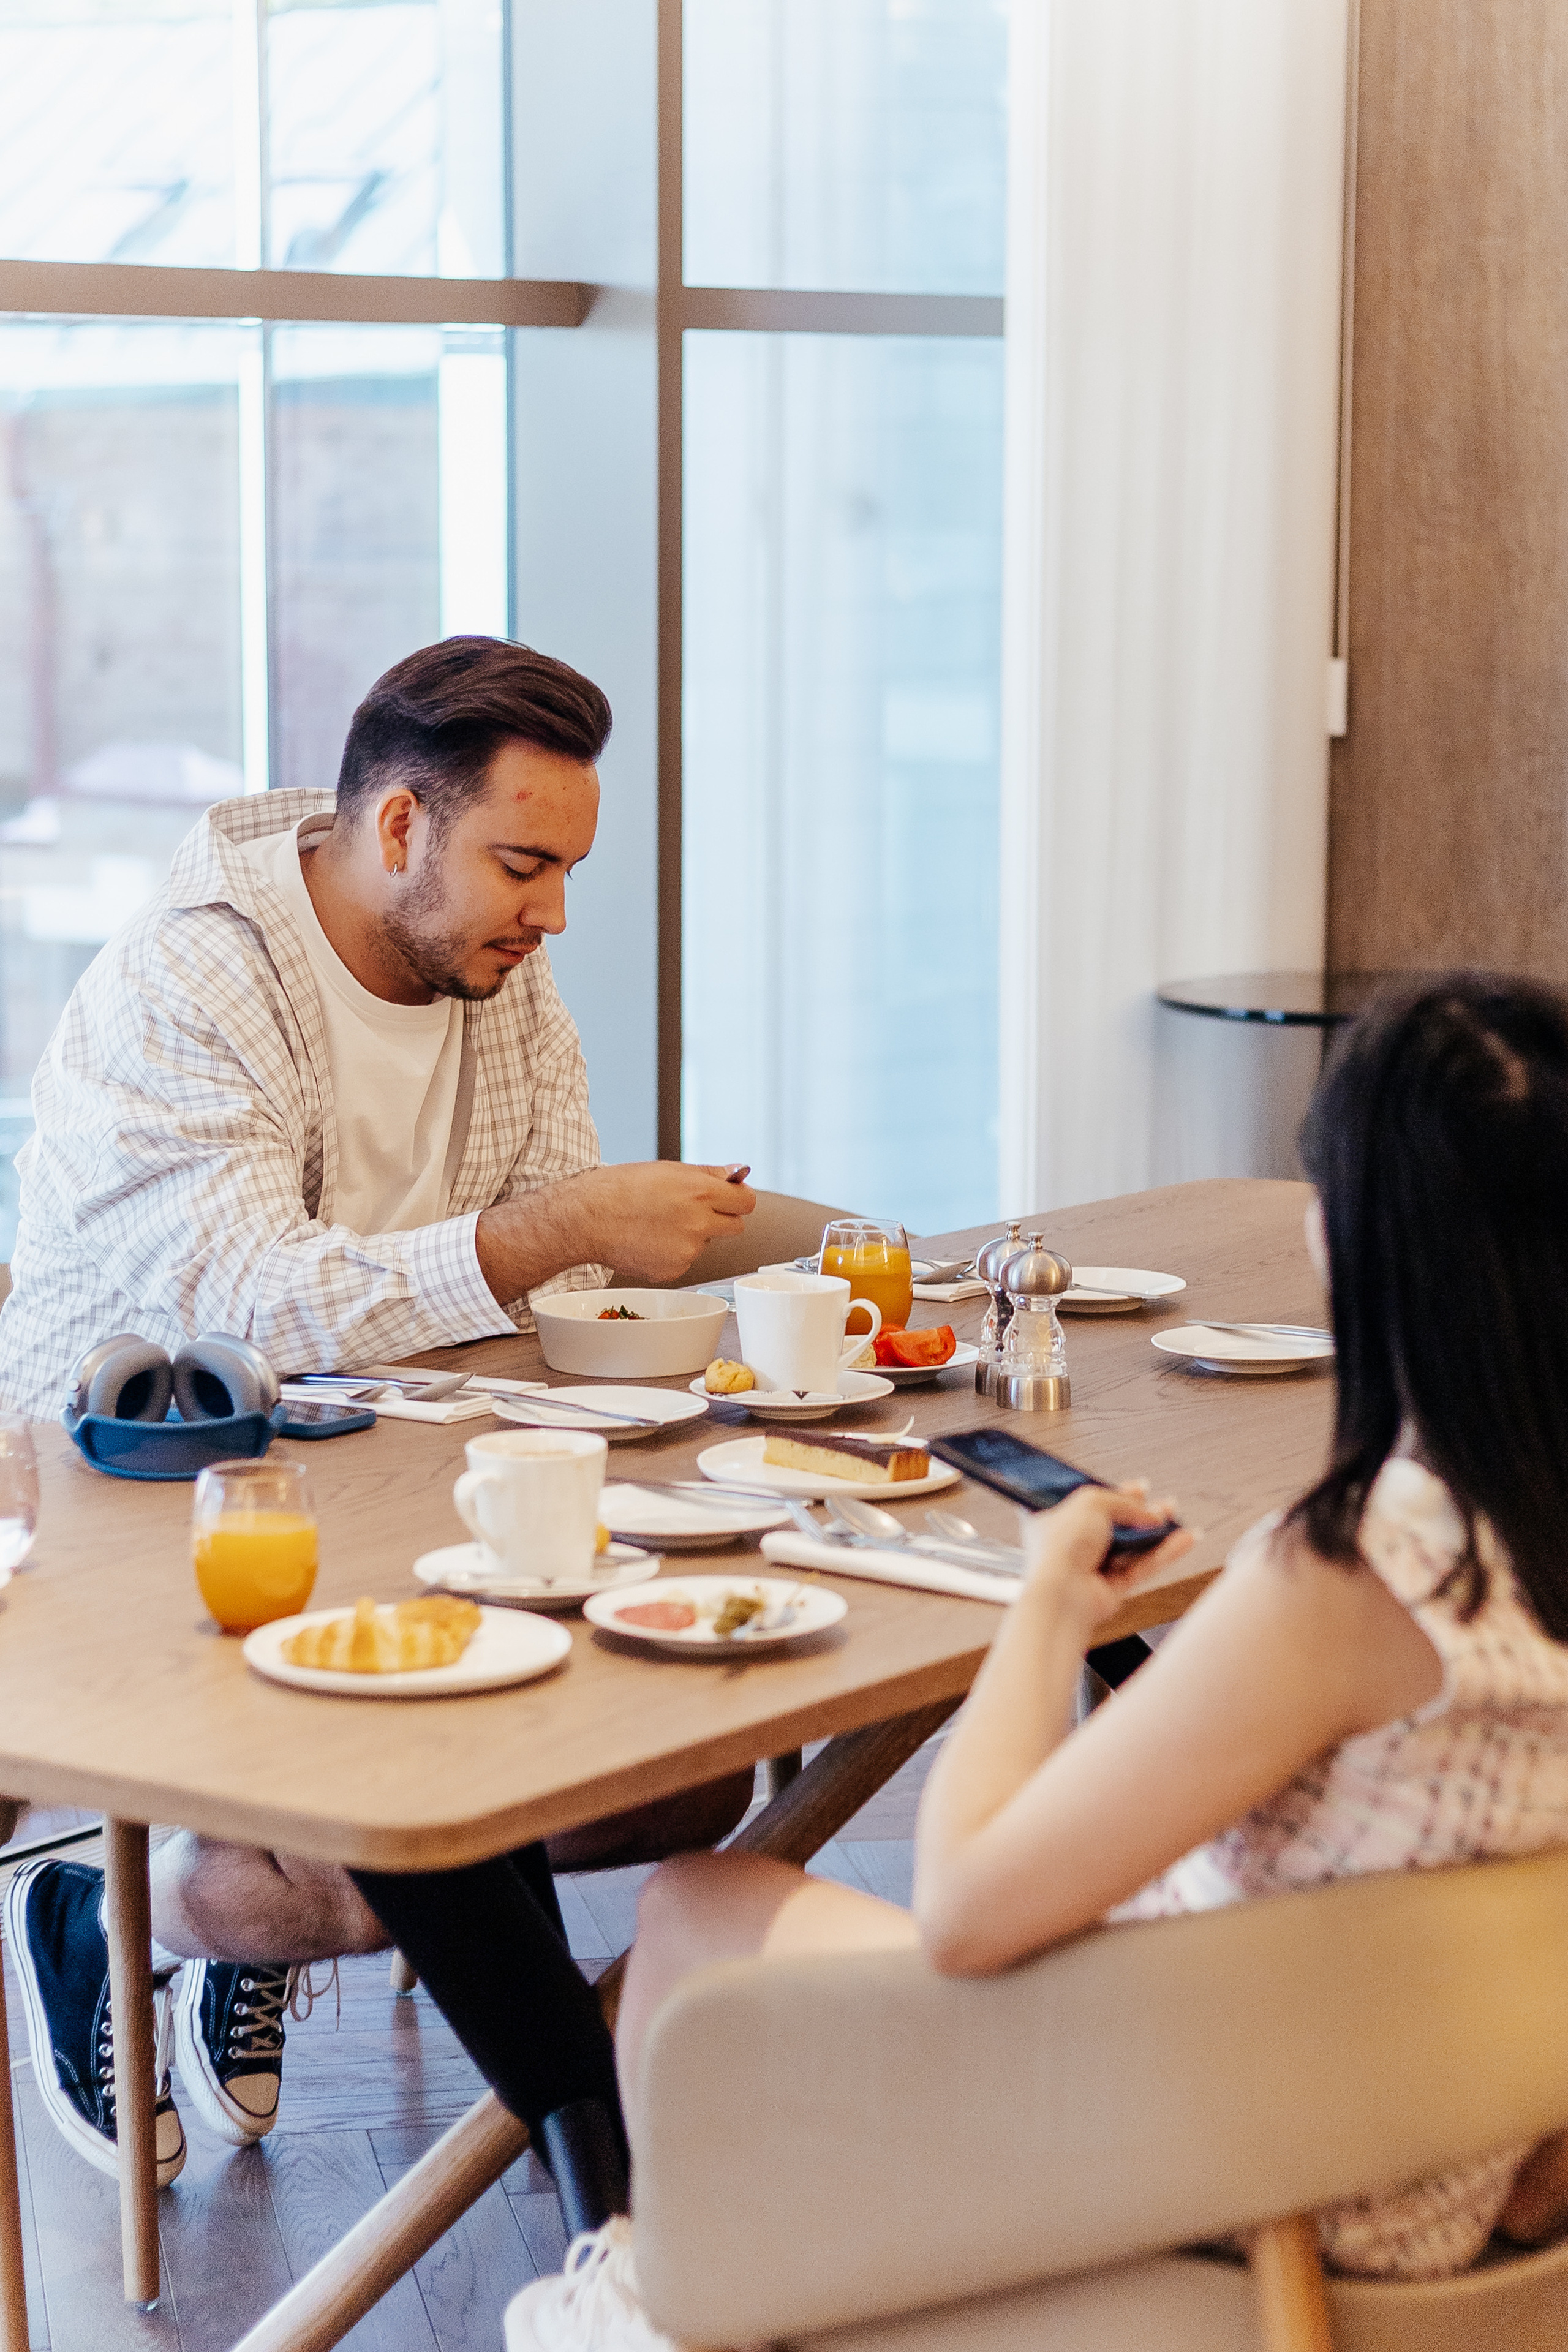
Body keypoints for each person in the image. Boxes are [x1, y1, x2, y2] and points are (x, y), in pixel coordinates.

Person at [505, 973, 1568, 2350]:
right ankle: (689, 2283)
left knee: (701, 1913)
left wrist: (1048, 1606)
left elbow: (964, 1909)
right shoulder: (1510, 1543)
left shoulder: (1354, 1576)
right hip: (1440, 2162)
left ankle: (676, 2298)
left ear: (1361, 1244)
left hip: (1243, 2179)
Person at [0, 637, 756, 2195]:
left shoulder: (495, 966)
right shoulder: (192, 978)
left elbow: (555, 1203)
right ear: (402, 829)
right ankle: (100, 1915)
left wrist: (611, 1250)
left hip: (391, 1476)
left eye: (565, 871)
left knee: (692, 1770)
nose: (551, 914)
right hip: (142, 1490)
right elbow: (246, 1314)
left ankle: (256, 1931)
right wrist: (548, 1240)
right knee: (422, 1821)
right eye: (526, 864)